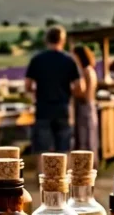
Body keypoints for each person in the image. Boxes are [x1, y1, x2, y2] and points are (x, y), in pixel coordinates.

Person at [25, 26, 82, 164]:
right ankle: (62, 182)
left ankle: (43, 181)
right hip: (63, 108)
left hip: (43, 108)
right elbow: (80, 86)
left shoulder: (37, 59)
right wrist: (68, 93)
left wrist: (36, 93)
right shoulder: (69, 60)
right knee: (63, 149)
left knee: (42, 150)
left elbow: (28, 85)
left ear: (46, 40)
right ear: (63, 40)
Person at [71, 44, 99, 153]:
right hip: (84, 108)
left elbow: (86, 95)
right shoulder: (87, 70)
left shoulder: (87, 71)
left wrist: (72, 91)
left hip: (85, 108)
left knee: (86, 140)